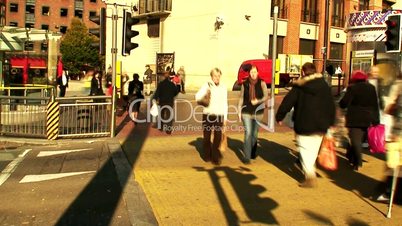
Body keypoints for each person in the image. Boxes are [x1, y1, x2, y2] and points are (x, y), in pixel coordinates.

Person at [276, 62, 336, 187]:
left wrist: (280, 116)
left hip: (304, 124)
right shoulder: (324, 85)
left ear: (303, 72)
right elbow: (330, 105)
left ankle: (310, 176)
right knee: (313, 151)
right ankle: (310, 171)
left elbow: (288, 101)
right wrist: (331, 122)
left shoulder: (300, 86)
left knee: (304, 150)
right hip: (321, 125)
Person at [339, 70, 380, 171]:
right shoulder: (371, 88)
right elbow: (375, 105)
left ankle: (358, 162)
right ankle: (351, 157)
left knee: (355, 140)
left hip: (355, 118)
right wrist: (376, 120)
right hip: (367, 118)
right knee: (358, 139)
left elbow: (344, 103)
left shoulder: (352, 88)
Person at [195, 68, 228, 165]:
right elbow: (197, 96)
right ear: (211, 76)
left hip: (219, 115)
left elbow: (225, 103)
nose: (217, 78)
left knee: (218, 137)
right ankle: (207, 155)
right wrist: (205, 94)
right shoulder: (207, 85)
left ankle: (215, 156)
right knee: (206, 136)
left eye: (218, 76)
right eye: (215, 76)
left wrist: (225, 118)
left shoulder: (223, 87)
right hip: (208, 114)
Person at [238, 64, 268, 164]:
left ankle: (252, 152)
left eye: (255, 72)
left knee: (254, 134)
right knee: (248, 133)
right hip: (246, 111)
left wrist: (258, 101)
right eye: (251, 72)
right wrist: (239, 111)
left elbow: (265, 97)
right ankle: (247, 156)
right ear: (249, 73)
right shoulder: (244, 84)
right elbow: (241, 98)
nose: (253, 74)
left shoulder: (262, 83)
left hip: (258, 112)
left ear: (257, 73)